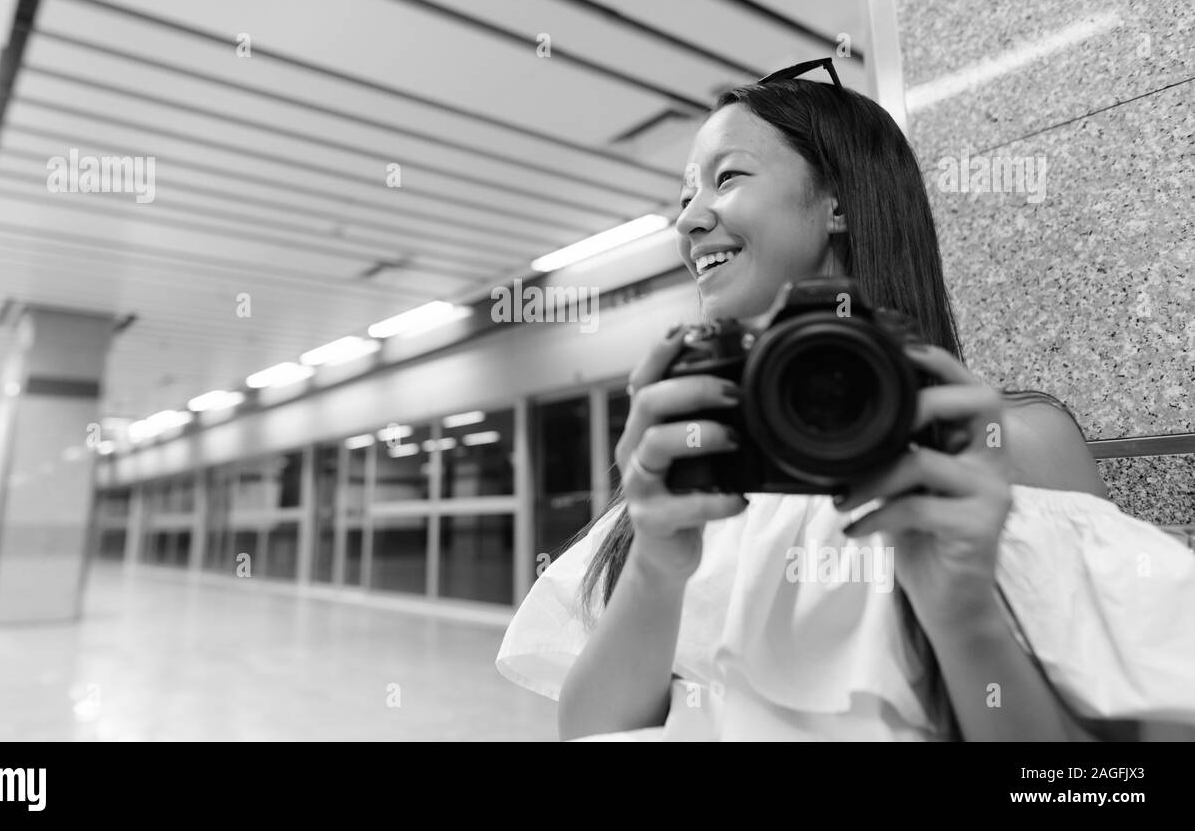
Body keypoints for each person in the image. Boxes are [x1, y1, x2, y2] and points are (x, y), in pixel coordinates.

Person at [496, 61, 1195, 741]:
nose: (687, 222)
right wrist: (654, 563)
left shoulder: (1009, 443)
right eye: (684, 197)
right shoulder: (697, 468)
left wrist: (963, 615)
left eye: (727, 176)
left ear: (838, 202)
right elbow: (589, 733)